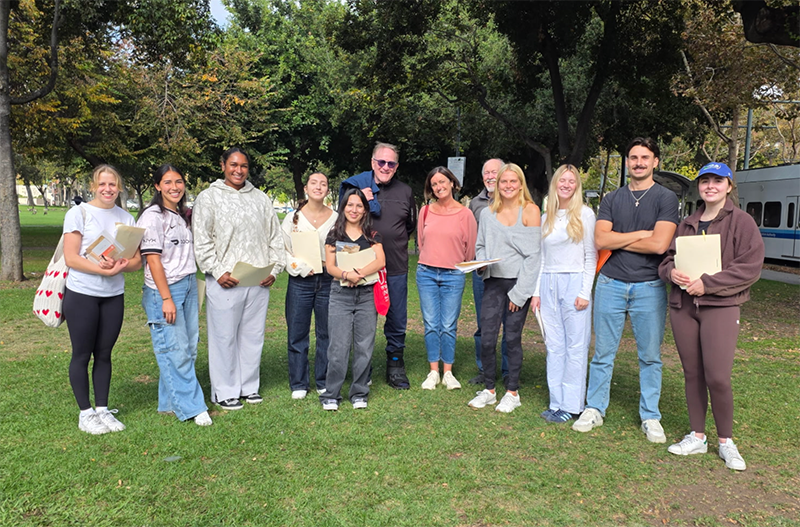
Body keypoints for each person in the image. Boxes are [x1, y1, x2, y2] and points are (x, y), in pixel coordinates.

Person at [573, 137, 679, 443]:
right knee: (603, 354)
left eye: (645, 158)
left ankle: (651, 416)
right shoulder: (612, 198)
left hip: (650, 286)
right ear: (627, 162)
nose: (639, 163)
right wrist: (641, 234)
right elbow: (600, 240)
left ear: (655, 162)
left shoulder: (666, 198)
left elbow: (659, 245)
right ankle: (595, 408)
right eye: (633, 157)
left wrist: (620, 237)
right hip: (611, 283)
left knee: (650, 356)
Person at [659, 162, 764, 470]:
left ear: (729, 186)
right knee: (692, 373)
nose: (710, 186)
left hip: (720, 307)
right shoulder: (687, 223)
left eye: (718, 181)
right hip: (684, 307)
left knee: (717, 376)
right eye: (705, 181)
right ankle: (697, 436)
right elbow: (666, 260)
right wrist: (671, 273)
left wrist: (708, 284)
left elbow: (750, 267)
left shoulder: (742, 222)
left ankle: (726, 441)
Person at [193, 147, 285, 410]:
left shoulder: (260, 199)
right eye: (233, 165)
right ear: (223, 165)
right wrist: (216, 270)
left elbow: (274, 237)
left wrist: (274, 270)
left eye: (243, 166)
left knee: (252, 336)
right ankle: (225, 391)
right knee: (224, 338)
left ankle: (249, 387)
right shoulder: (209, 197)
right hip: (225, 280)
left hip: (257, 280)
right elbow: (202, 240)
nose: (238, 170)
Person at [62, 165, 142, 435]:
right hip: (82, 294)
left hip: (113, 296)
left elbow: (136, 261)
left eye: (113, 184)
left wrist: (120, 266)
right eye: (103, 184)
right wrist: (102, 269)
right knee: (82, 354)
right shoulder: (78, 213)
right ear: (93, 186)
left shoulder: (126, 218)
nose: (108, 189)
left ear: (119, 188)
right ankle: (85, 413)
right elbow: (71, 257)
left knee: (105, 354)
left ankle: (102, 410)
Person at [137, 164, 212, 426]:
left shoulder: (180, 215)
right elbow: (153, 260)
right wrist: (166, 298)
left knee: (188, 348)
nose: (174, 187)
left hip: (188, 283)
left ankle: (169, 403)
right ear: (157, 186)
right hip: (165, 290)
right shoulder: (152, 217)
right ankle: (193, 407)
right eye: (167, 182)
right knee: (174, 349)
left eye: (178, 181)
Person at [339, 142, 416, 390]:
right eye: (381, 162)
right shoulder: (357, 189)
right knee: (363, 320)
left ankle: (395, 366)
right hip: (362, 268)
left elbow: (409, 226)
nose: (385, 167)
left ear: (396, 166)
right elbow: (345, 219)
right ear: (373, 163)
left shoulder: (405, 191)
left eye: (391, 163)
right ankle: (363, 369)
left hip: (395, 267)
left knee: (396, 319)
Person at [469, 163, 541, 413]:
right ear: (497, 185)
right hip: (493, 282)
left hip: (517, 284)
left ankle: (512, 392)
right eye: (504, 181)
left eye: (513, 181)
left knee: (512, 338)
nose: (508, 186)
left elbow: (534, 256)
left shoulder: (530, 210)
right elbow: (480, 246)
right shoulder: (487, 214)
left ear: (520, 184)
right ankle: (489, 390)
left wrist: (520, 294)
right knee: (487, 339)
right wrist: (480, 263)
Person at [531, 165, 596, 423]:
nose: (566, 185)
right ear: (555, 183)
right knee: (554, 345)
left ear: (577, 185)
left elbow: (590, 256)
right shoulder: (547, 217)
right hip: (549, 282)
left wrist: (585, 292)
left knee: (575, 346)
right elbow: (542, 258)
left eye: (571, 181)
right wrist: (536, 292)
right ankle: (556, 402)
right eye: (562, 180)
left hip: (574, 281)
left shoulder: (585, 214)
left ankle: (572, 404)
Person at [319, 189, 386, 410]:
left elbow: (380, 261)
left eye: (359, 206)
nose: (354, 210)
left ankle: (359, 392)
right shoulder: (334, 235)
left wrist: (359, 273)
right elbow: (330, 267)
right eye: (350, 205)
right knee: (338, 347)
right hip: (340, 296)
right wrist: (347, 275)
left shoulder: (372, 235)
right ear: (343, 207)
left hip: (366, 295)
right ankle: (331, 394)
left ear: (365, 210)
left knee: (364, 346)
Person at [417, 167, 477, 390]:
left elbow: (470, 249)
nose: (438, 187)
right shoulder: (425, 212)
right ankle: (433, 371)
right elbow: (421, 243)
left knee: (449, 325)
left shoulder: (465, 214)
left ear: (452, 183)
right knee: (431, 324)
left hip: (453, 275)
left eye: (442, 182)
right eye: (434, 184)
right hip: (426, 273)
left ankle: (448, 373)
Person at [281, 172, 337, 400]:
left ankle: (323, 380)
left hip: (328, 280)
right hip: (300, 281)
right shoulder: (292, 219)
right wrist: (300, 267)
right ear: (306, 188)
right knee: (297, 333)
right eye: (314, 182)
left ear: (327, 190)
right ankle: (299, 383)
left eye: (323, 184)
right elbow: (283, 250)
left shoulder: (336, 219)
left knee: (327, 333)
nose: (318, 187)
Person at [468, 158, 509, 386]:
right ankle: (485, 370)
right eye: (487, 173)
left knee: (509, 324)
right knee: (484, 324)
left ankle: (508, 371)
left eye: (495, 172)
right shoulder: (475, 203)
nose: (491, 176)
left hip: (509, 272)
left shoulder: (515, 201)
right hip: (483, 273)